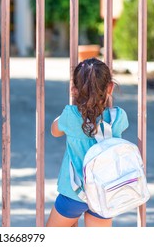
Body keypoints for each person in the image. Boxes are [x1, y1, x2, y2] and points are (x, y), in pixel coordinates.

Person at [46, 57, 129, 227]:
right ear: (110, 88)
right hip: (104, 194)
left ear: (73, 90)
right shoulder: (118, 116)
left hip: (73, 194)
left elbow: (54, 131)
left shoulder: (70, 116)